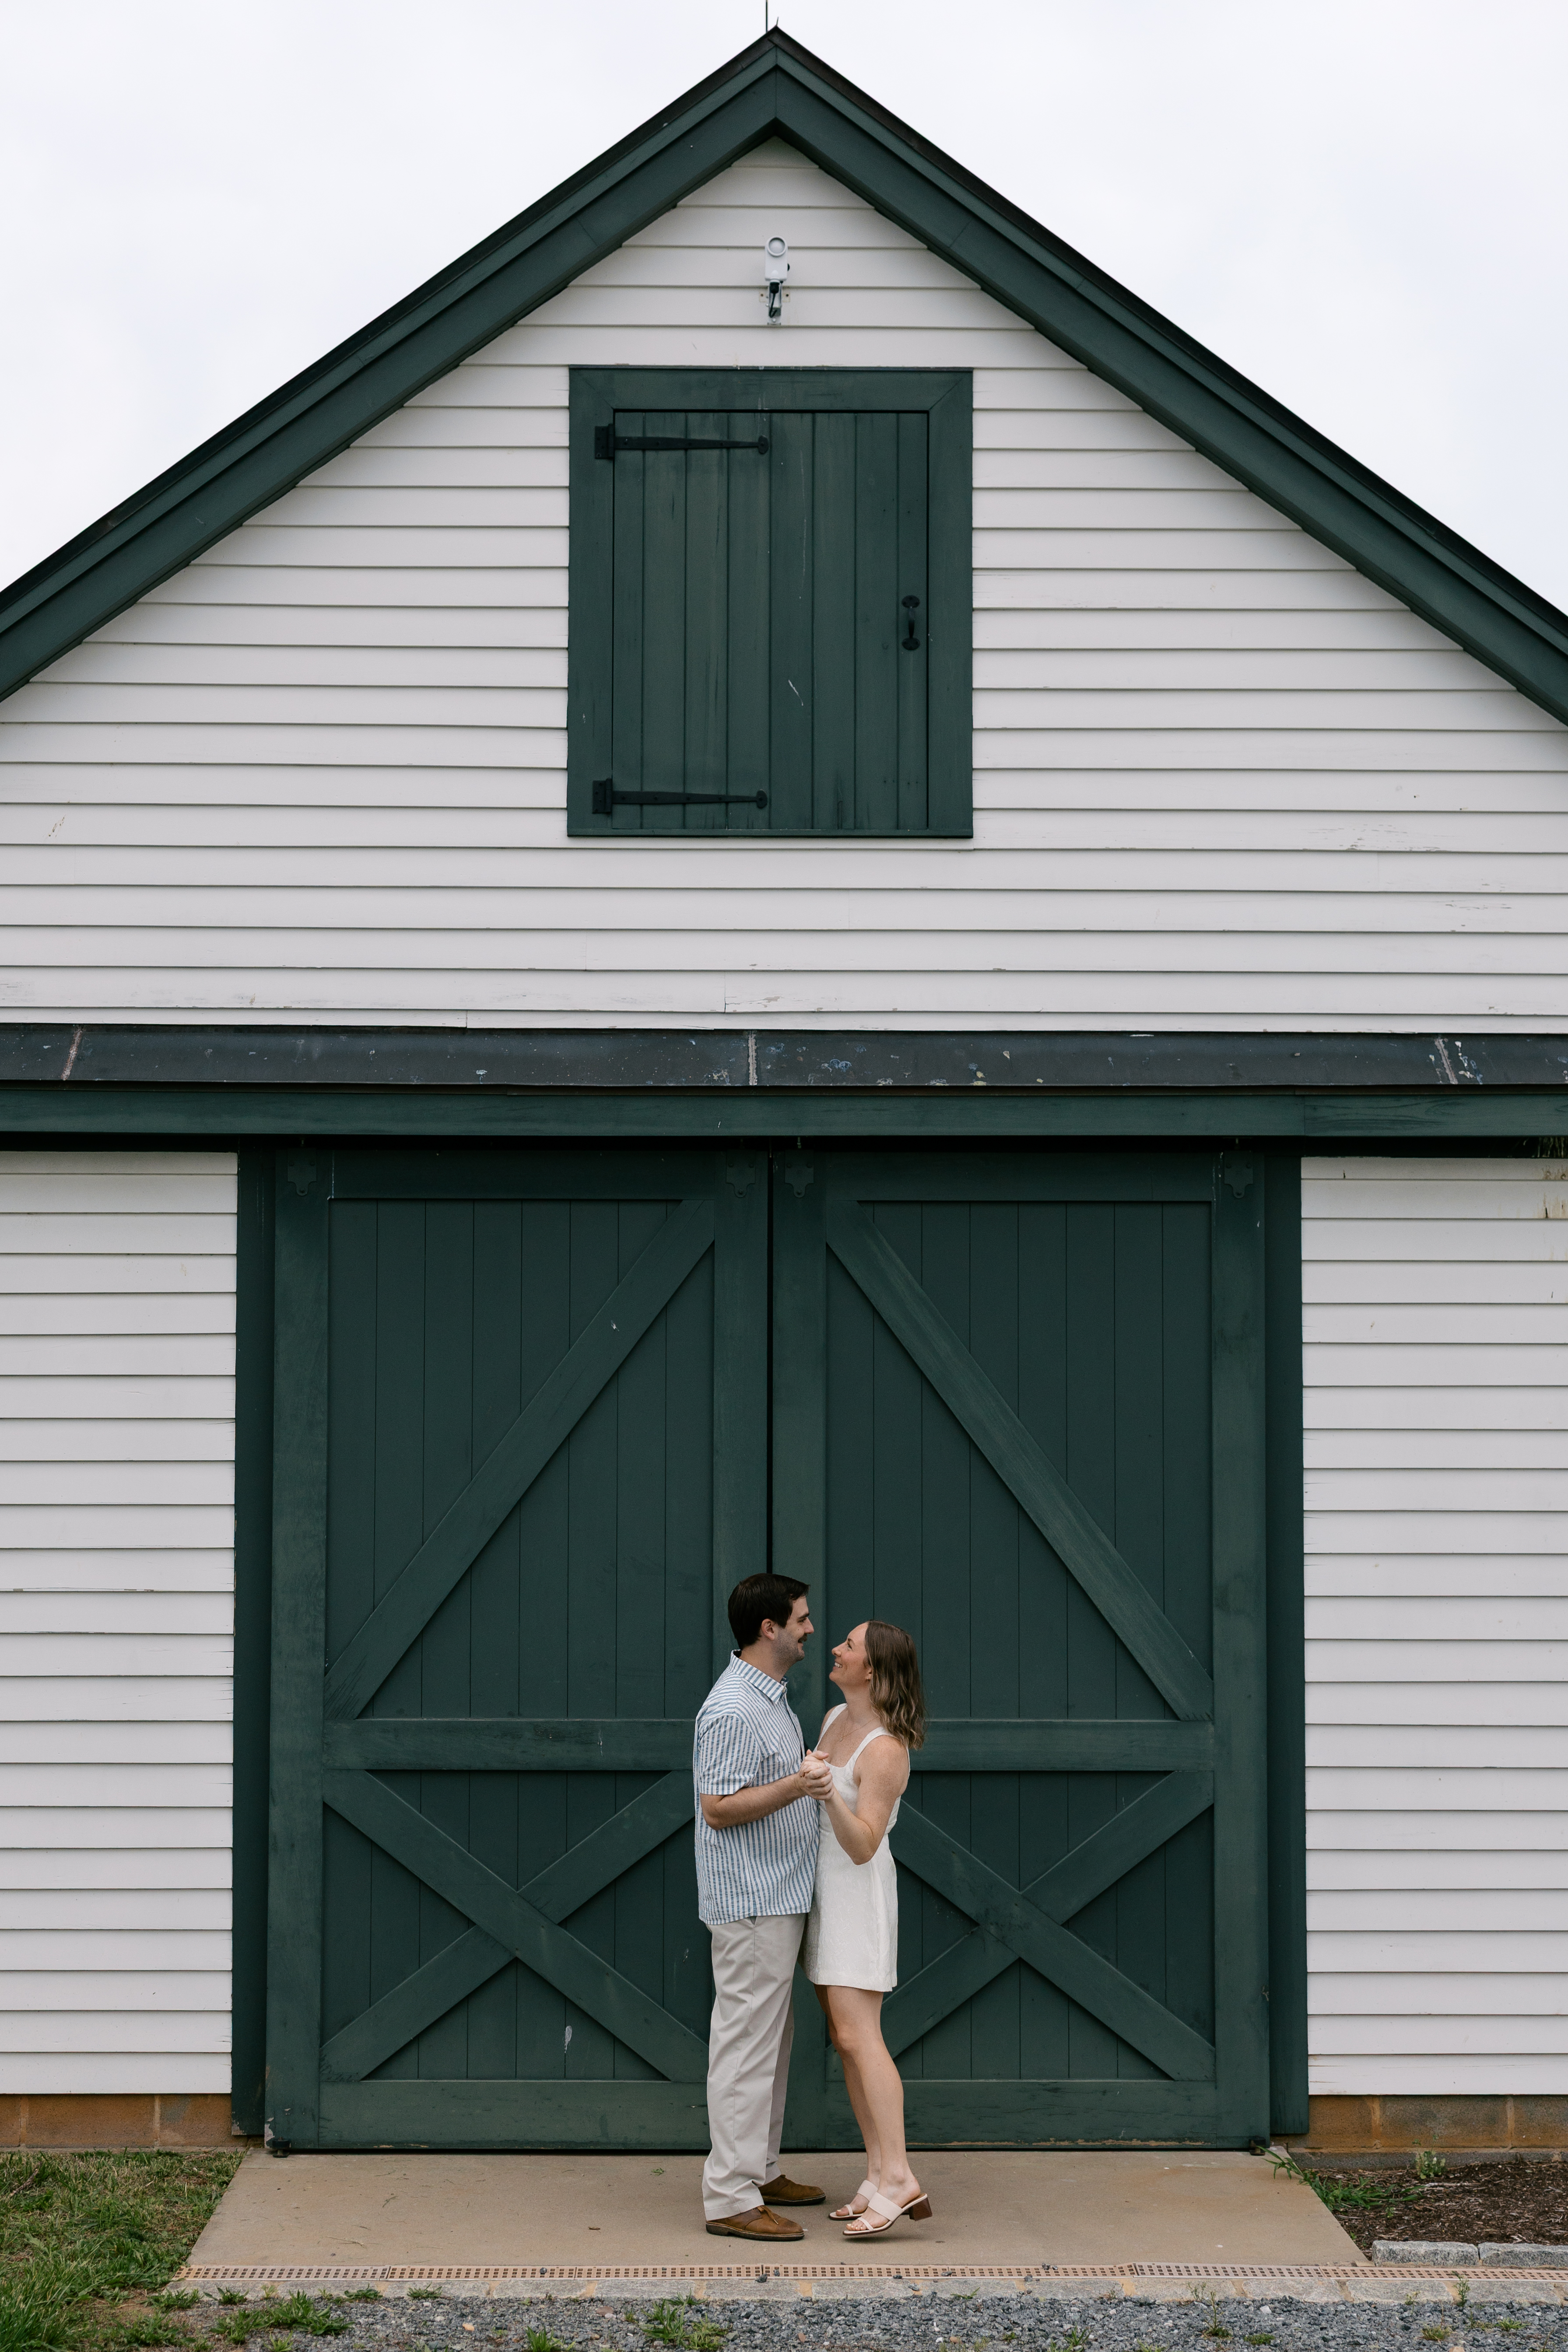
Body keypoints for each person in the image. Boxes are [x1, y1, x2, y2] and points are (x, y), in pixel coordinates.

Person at [693, 1572, 826, 2241]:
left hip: (777, 1894)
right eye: (800, 1619)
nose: (809, 1628)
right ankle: (730, 2198)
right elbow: (718, 1809)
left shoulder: (770, 1699)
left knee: (772, 2040)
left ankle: (761, 2169)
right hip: (750, 1901)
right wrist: (799, 1786)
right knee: (746, 2046)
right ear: (768, 1629)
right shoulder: (732, 1709)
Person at [800, 1619, 931, 2240]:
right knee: (844, 2038)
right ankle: (877, 2173)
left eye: (848, 1646)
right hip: (826, 1898)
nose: (836, 1648)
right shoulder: (833, 1716)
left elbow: (863, 1845)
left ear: (873, 1669)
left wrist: (827, 1795)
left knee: (862, 2038)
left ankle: (901, 2176)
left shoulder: (885, 1748)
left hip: (859, 1898)